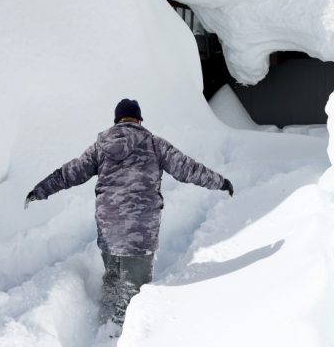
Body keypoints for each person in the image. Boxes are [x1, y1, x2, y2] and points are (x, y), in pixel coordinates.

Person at [25, 98, 233, 328]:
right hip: (140, 232)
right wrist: (220, 182)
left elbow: (68, 173)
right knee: (135, 294)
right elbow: (189, 169)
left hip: (109, 229)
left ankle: (102, 325)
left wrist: (40, 190)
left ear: (117, 121)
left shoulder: (100, 147)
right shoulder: (155, 144)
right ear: (139, 120)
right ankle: (122, 341)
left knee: (113, 280)